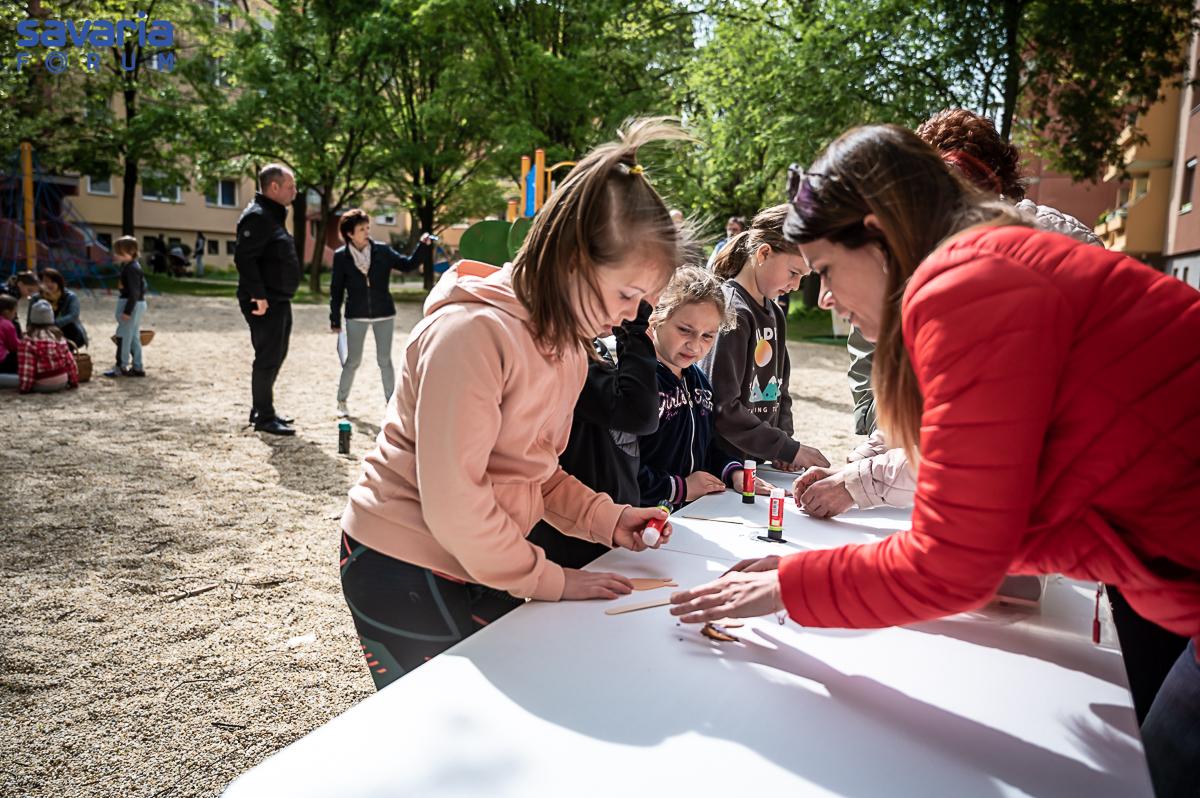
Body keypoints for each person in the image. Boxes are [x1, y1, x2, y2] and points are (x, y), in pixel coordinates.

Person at [668, 124, 1200, 798]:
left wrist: (794, 587)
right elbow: (1012, 520)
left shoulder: (967, 285)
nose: (823, 298)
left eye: (826, 270)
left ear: (877, 234)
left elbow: (955, 564)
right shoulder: (988, 263)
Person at [339, 118, 687, 689]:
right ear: (572, 259)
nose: (632, 315)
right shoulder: (470, 335)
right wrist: (551, 578)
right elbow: (456, 500)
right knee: (443, 720)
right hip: (403, 562)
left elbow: (536, 473)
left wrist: (608, 519)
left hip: (480, 554)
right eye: (628, 294)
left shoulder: (568, 347)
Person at [527, 298, 661, 569]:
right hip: (560, 545)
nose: (640, 308)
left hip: (592, 531)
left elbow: (543, 479)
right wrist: (634, 326)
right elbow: (638, 413)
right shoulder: (550, 351)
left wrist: (612, 520)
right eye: (632, 293)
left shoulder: (582, 348)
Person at [701, 204, 829, 472]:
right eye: (793, 273)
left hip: (757, 463)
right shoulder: (733, 311)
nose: (795, 286)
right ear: (764, 253)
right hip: (723, 466)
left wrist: (784, 446)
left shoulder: (775, 313)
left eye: (803, 278)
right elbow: (722, 406)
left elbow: (781, 390)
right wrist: (786, 447)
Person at [639, 265, 775, 508]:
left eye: (707, 336)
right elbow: (622, 467)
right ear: (656, 318)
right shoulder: (637, 382)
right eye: (684, 330)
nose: (694, 345)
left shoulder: (699, 382)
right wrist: (680, 487)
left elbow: (708, 447)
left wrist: (733, 472)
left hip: (692, 513)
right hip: (644, 517)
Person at [329, 209, 433, 417]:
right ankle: (341, 401)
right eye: (361, 229)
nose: (367, 232)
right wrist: (335, 319)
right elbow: (336, 289)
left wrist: (423, 246)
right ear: (349, 233)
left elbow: (408, 265)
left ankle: (391, 403)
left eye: (367, 228)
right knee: (353, 361)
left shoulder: (382, 251)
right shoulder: (341, 256)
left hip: (384, 313)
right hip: (356, 314)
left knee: (384, 360)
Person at [235, 164, 301, 436]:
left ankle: (262, 407)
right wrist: (258, 296)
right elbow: (245, 259)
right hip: (265, 301)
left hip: (278, 299)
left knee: (277, 354)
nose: (295, 191)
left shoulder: (272, 215)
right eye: (290, 186)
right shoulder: (258, 216)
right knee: (267, 356)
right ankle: (264, 416)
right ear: (274, 187)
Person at [12, 300, 78, 393]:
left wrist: (24, 389)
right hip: (63, 381)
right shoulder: (59, 337)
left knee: (7, 379)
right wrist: (74, 382)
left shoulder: (28, 341)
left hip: (42, 384)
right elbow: (70, 362)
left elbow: (27, 368)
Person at [104, 236, 148, 378]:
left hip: (131, 304)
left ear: (132, 251)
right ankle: (138, 366)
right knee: (133, 336)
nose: (116, 255)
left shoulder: (132, 268)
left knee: (123, 336)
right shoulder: (131, 266)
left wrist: (128, 311)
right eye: (116, 252)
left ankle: (121, 366)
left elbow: (135, 292)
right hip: (135, 304)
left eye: (120, 252)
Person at [33, 268, 87, 350]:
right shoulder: (36, 298)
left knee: (70, 326)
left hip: (67, 331)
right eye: (46, 281)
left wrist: (53, 324)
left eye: (53, 281)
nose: (49, 284)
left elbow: (73, 315)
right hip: (42, 330)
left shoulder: (70, 296)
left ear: (59, 282)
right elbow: (31, 318)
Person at [3, 271, 39, 337]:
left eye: (33, 292)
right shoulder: (9, 294)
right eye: (29, 290)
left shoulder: (13, 291)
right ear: (20, 284)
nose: (30, 295)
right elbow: (11, 317)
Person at [0, 295, 19, 380]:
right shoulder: (7, 324)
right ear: (7, 312)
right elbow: (14, 346)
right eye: (14, 312)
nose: (15, 315)